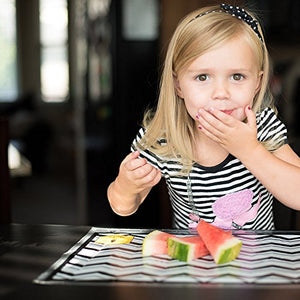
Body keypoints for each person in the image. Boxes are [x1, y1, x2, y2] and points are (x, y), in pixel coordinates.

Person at [107, 4, 300, 230]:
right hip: (192, 263)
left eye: (237, 76)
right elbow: (122, 206)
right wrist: (126, 186)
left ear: (257, 83)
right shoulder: (163, 137)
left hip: (257, 263)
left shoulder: (262, 127)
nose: (220, 93)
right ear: (178, 84)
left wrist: (249, 150)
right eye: (202, 77)